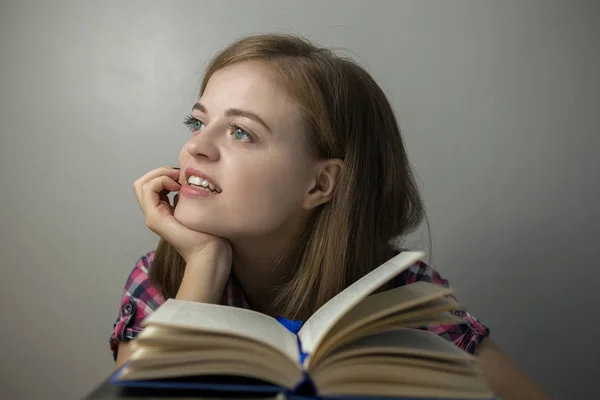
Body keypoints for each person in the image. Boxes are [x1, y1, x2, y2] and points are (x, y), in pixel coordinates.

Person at [110, 33, 549, 399]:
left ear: (320, 185)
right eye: (197, 123)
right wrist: (203, 266)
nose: (196, 147)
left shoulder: (403, 297)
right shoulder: (158, 280)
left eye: (241, 132)